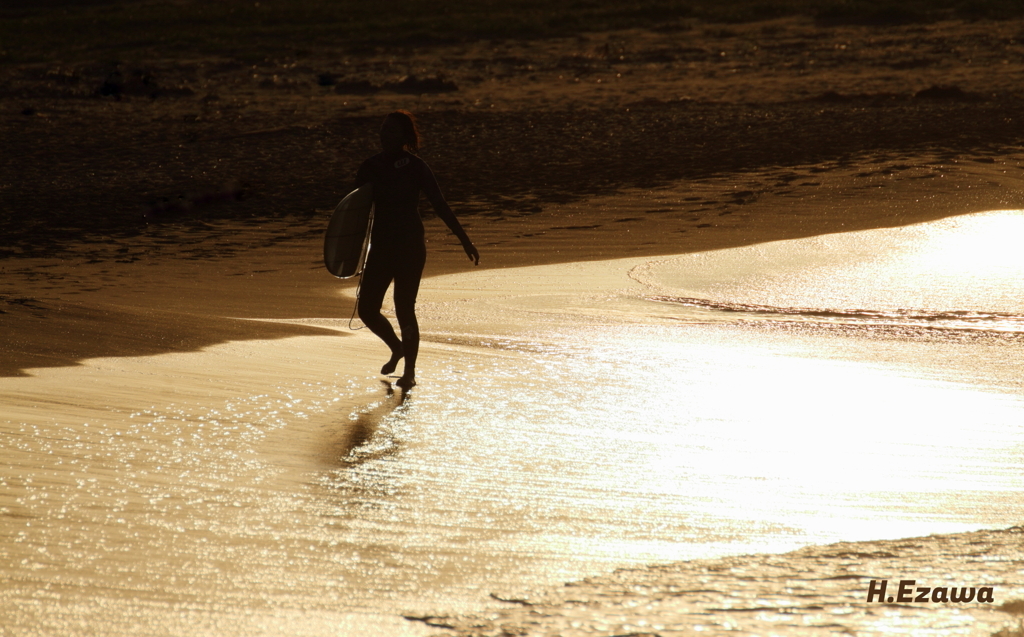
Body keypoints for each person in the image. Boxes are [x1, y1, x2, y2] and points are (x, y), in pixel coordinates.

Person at [353, 110, 479, 389]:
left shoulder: (416, 166)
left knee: (404, 309)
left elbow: (440, 204)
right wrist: (349, 255)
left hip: (409, 246)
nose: (386, 135)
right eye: (383, 129)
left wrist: (464, 240)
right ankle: (397, 348)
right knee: (366, 309)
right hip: (382, 246)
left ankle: (409, 371)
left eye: (392, 131)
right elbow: (354, 214)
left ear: (405, 137)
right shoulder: (369, 167)